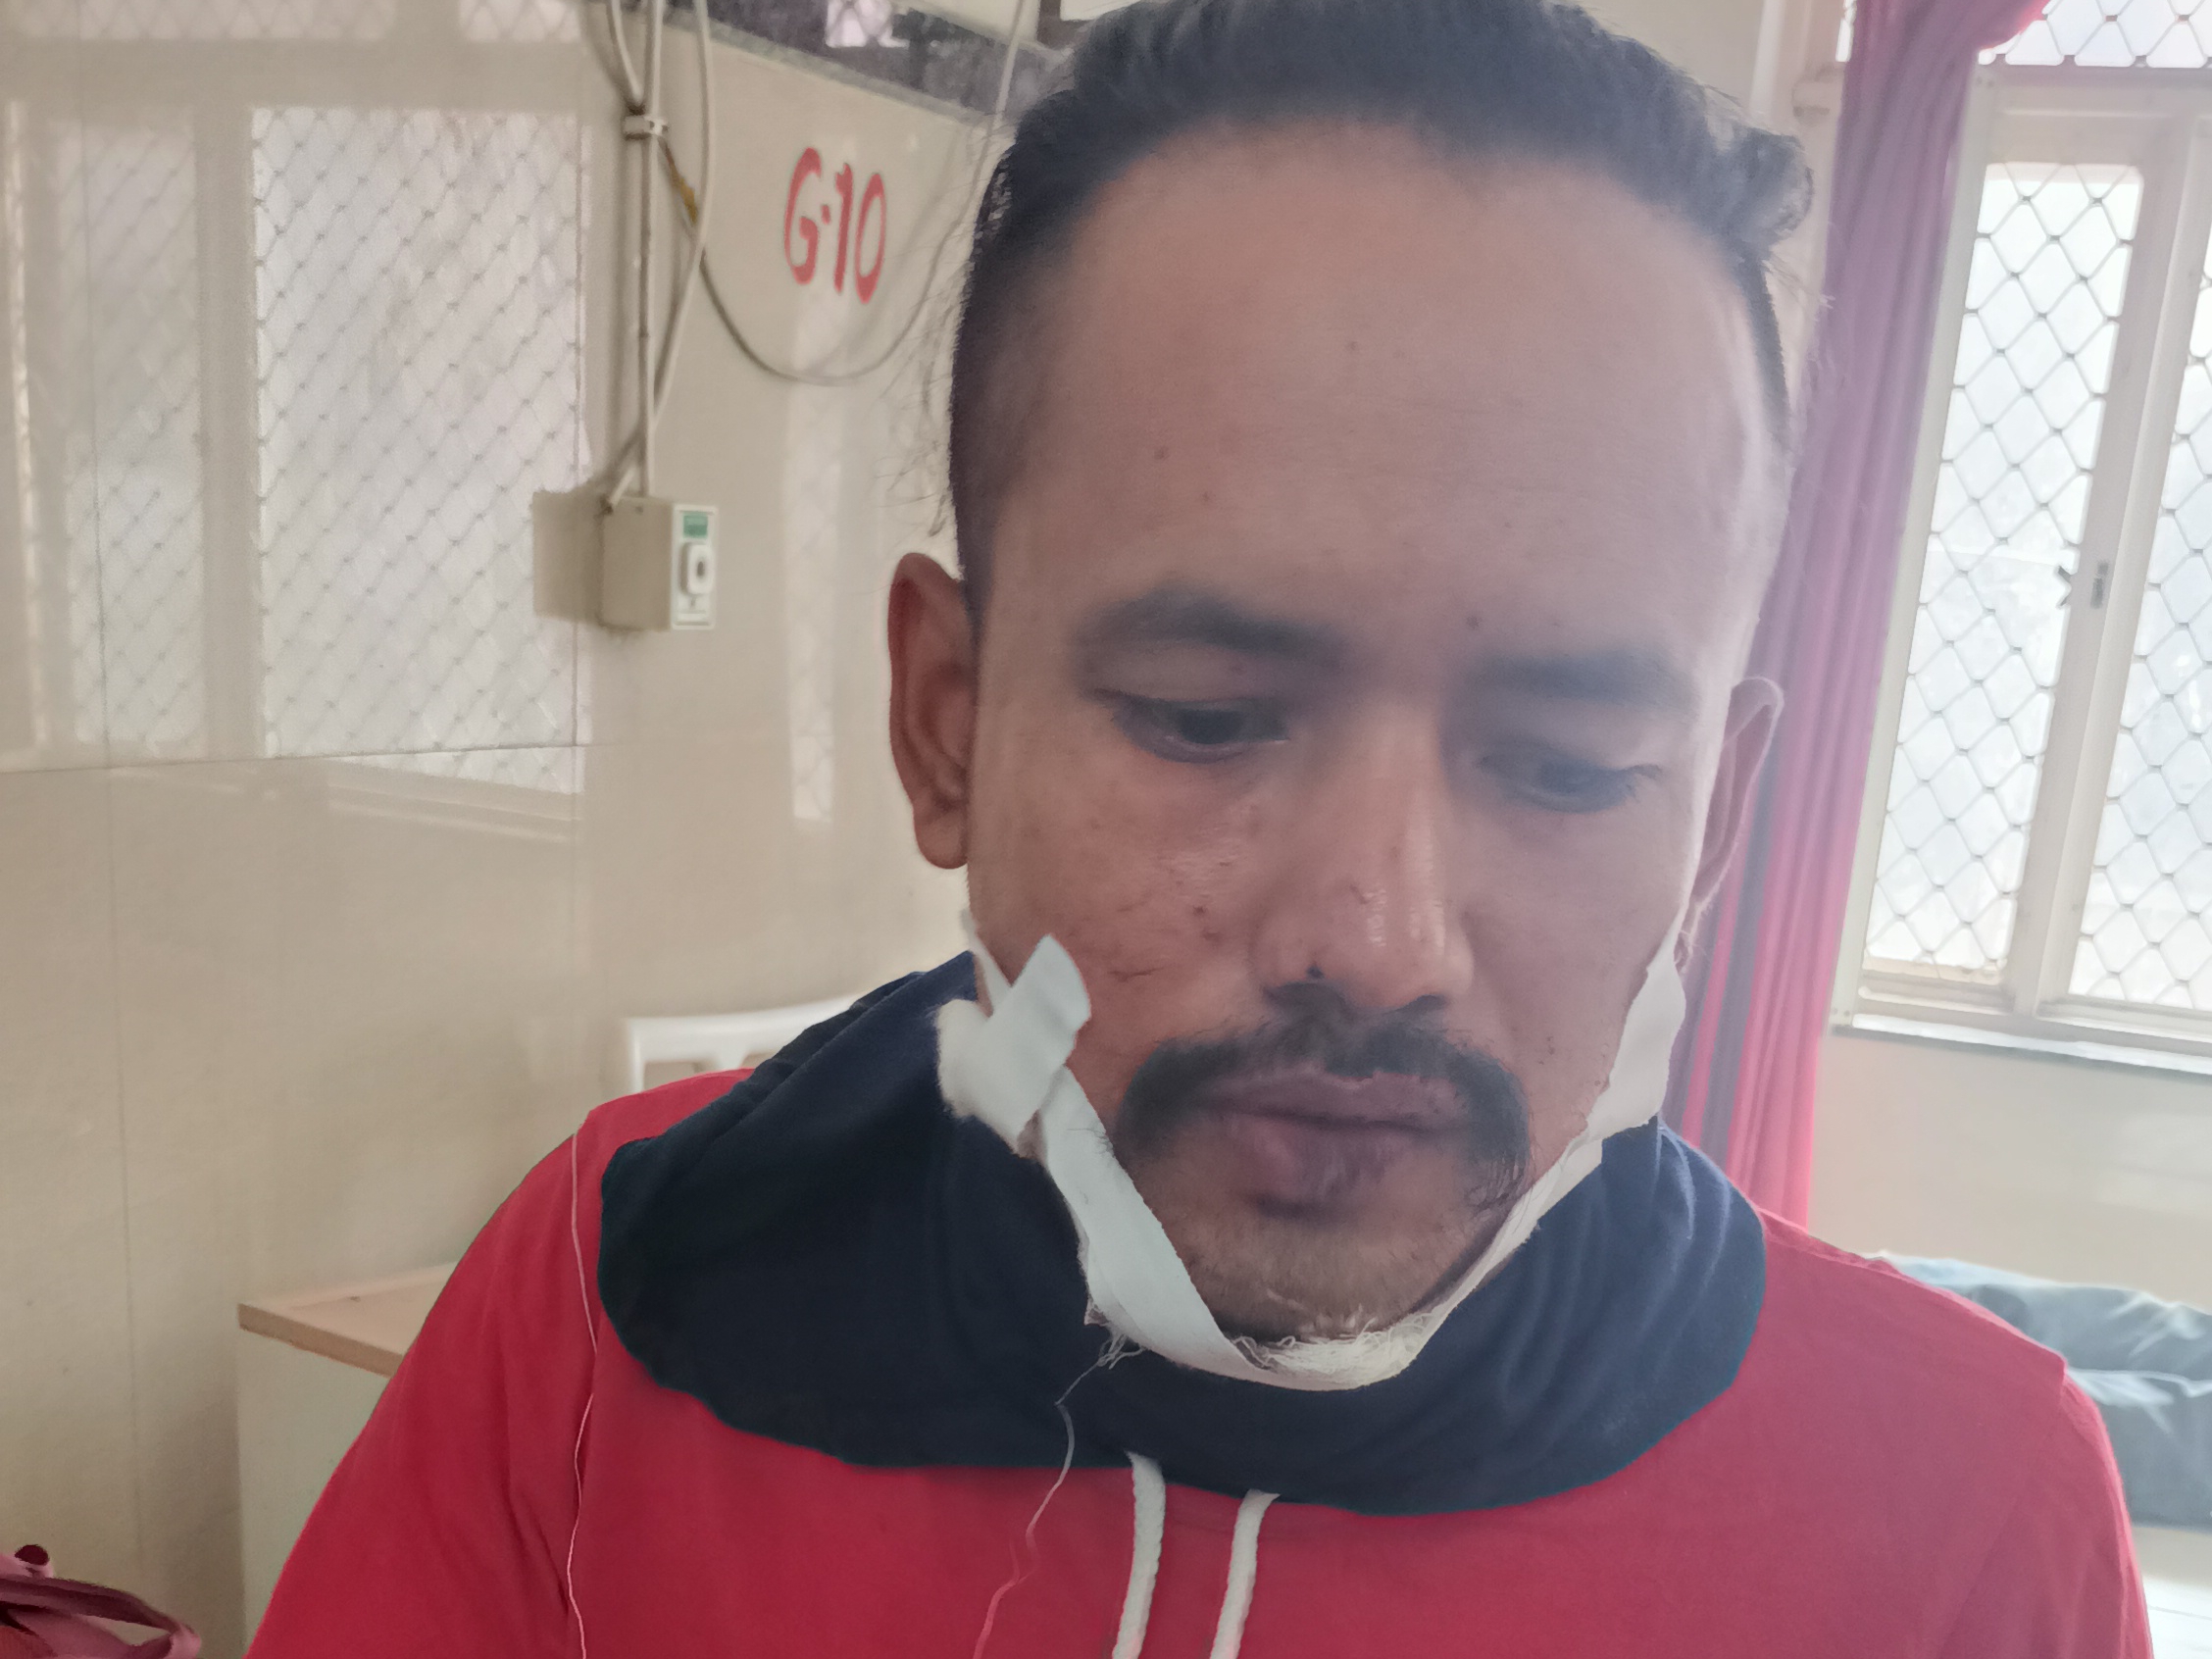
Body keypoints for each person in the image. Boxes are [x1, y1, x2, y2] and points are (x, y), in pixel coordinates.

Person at [248, 0, 2153, 1652]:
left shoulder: (1961, 1519)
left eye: (1569, 762)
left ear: (1720, 820)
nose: (1377, 942)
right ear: (945, 724)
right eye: (1206, 718)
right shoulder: (621, 1294)